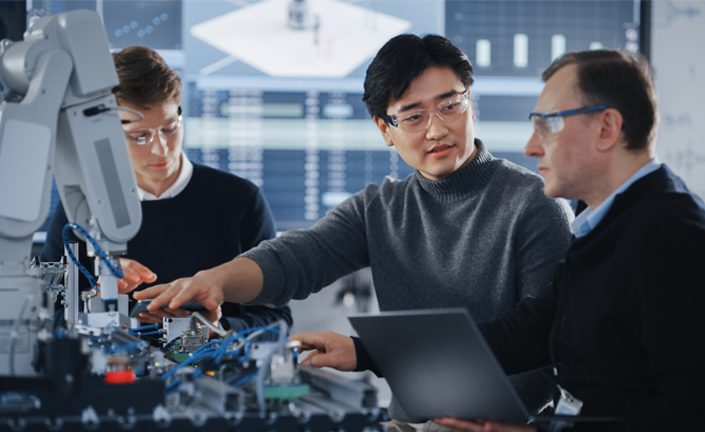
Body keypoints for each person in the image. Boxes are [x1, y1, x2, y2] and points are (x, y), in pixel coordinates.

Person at [135, 34, 573, 422]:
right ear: (385, 130)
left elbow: (544, 342)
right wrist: (215, 282)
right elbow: (296, 258)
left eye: (449, 105)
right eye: (413, 116)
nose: (438, 128)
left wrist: (373, 355)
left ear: (469, 101)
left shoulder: (535, 203)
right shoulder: (381, 208)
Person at [431, 50, 705, 432]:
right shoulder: (605, 223)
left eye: (546, 126)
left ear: (607, 128)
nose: (531, 147)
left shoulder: (674, 238)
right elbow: (534, 329)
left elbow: (689, 413)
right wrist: (371, 352)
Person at [40, 46, 292, 333]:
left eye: (170, 128)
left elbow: (278, 320)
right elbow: (47, 319)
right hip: (114, 372)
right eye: (139, 136)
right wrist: (102, 302)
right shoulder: (81, 206)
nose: (160, 149)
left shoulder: (241, 201)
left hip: (214, 371)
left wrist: (214, 330)